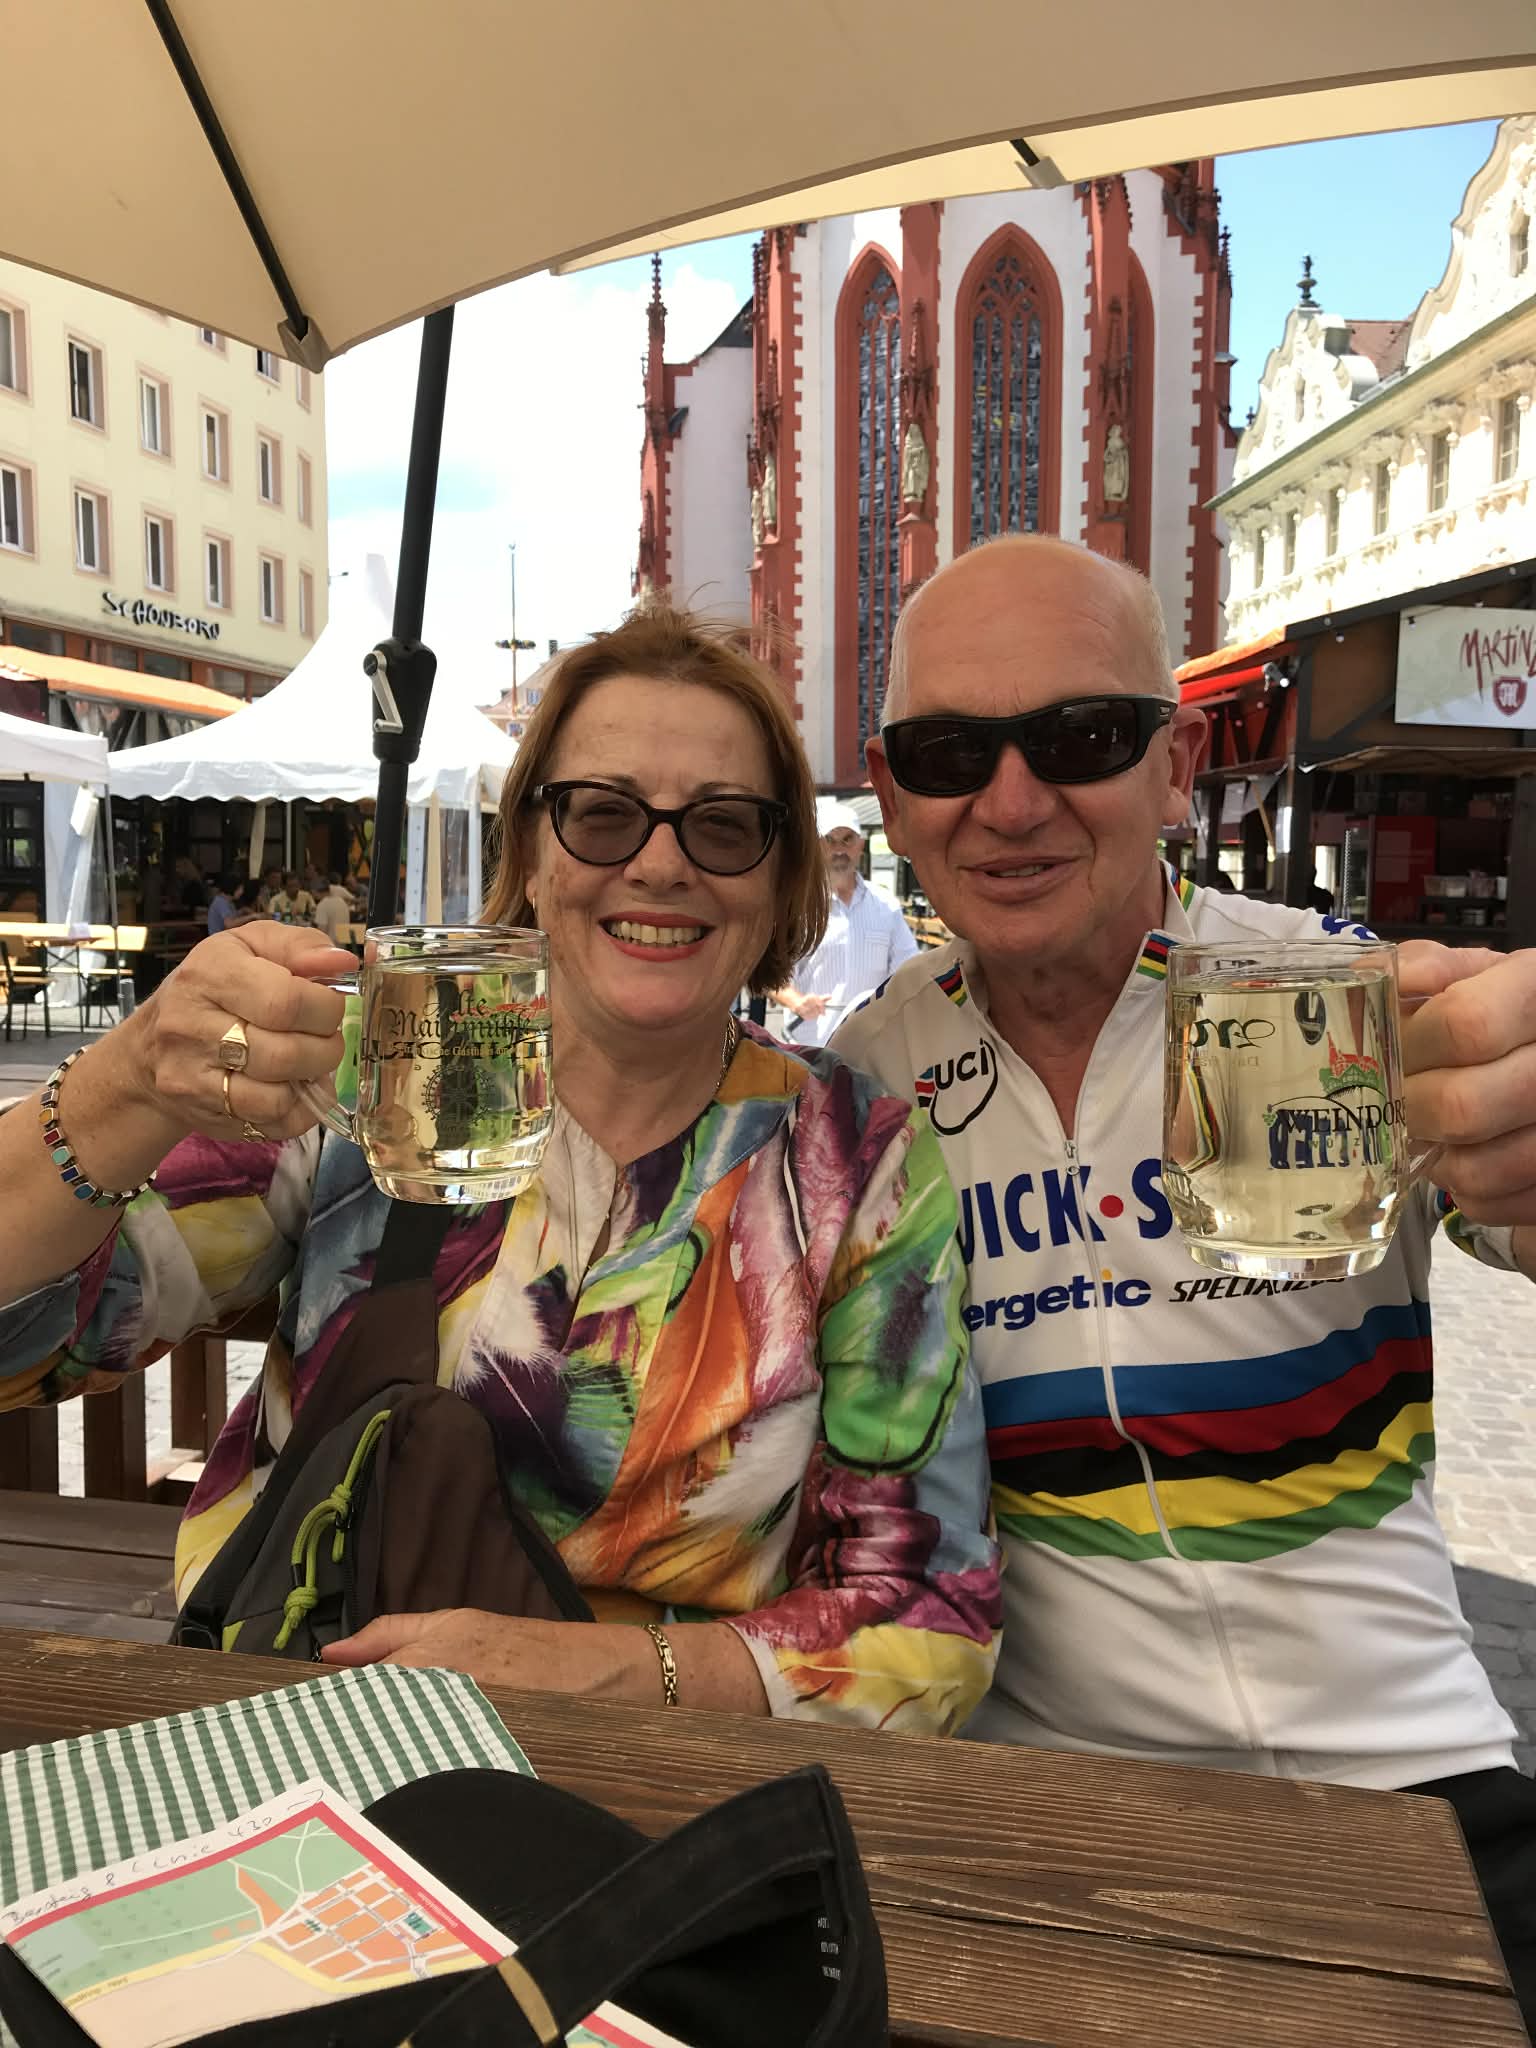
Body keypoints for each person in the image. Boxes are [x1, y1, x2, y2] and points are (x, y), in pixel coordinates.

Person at [0, 603, 999, 1734]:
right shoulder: (377, 1074)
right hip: (299, 1738)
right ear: (529, 846)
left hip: (670, 1785)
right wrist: (123, 1082)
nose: (661, 861)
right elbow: (29, 1332)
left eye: (723, 825)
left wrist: (604, 1674)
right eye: (602, 813)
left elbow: (930, 1611)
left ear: (778, 880)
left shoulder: (848, 1157)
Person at [835, 533, 1536, 2015]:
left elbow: (1514, 1210)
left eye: (1081, 737)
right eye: (951, 751)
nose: (1011, 802)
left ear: (1178, 762)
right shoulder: (865, 1082)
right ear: (893, 795)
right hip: (1049, 1811)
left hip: (1414, 1778)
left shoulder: (1332, 998)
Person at [774, 799, 918, 1046]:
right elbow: (773, 977)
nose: (839, 849)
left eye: (848, 839)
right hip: (811, 1048)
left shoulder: (885, 905)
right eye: (830, 839)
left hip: (872, 1047)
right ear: (817, 846)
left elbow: (909, 969)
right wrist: (796, 1002)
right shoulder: (797, 907)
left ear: (860, 846)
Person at [312, 873, 356, 946]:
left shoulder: (322, 905)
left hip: (329, 949)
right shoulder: (341, 901)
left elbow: (321, 931)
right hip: (343, 948)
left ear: (314, 891)